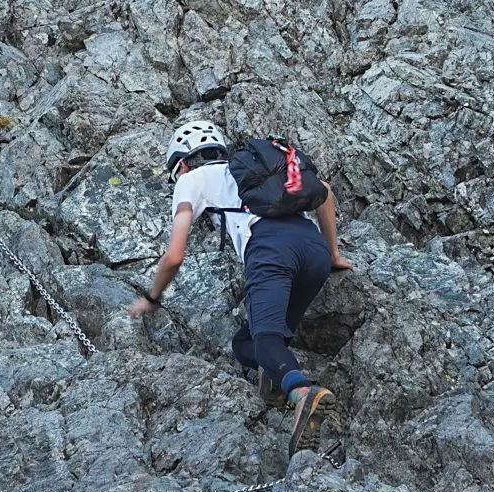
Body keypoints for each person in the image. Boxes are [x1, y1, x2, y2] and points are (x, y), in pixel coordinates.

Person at [129, 113, 351, 450]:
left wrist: (152, 297)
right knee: (246, 344)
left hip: (270, 250)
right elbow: (325, 192)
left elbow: (174, 256)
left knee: (266, 341)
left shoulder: (192, 180)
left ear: (182, 165)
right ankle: (275, 383)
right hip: (314, 251)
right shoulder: (255, 171)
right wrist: (333, 255)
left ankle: (303, 393)